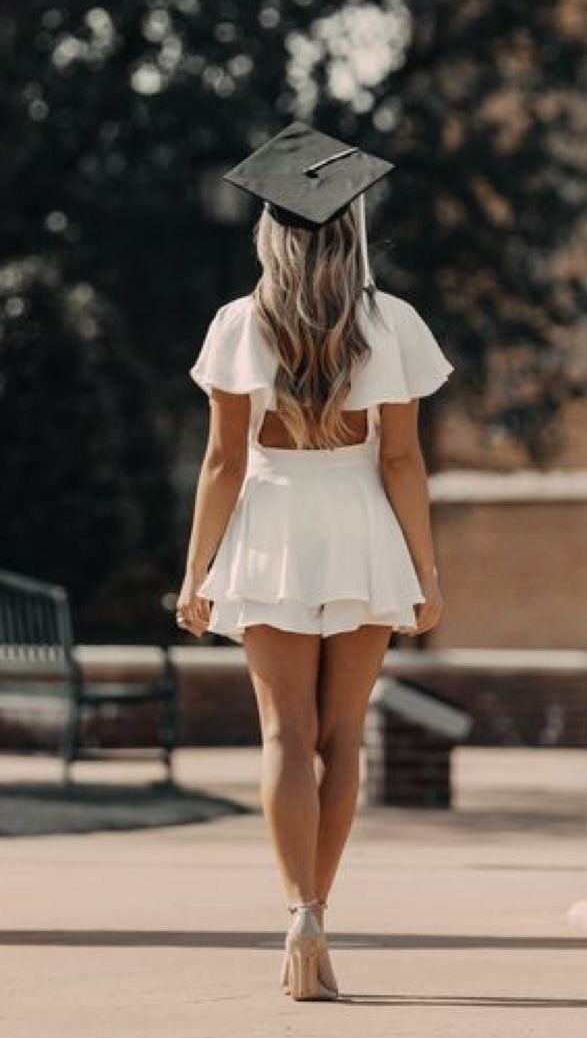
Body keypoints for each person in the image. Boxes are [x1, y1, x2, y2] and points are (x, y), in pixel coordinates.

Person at [175, 122, 455, 1001]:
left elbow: (222, 461)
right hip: (362, 529)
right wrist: (427, 574)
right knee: (341, 737)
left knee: (282, 734)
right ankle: (323, 904)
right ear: (351, 229)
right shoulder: (390, 321)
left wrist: (194, 574)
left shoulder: (238, 322)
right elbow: (402, 460)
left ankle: (297, 911)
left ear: (270, 231)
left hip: (273, 527)